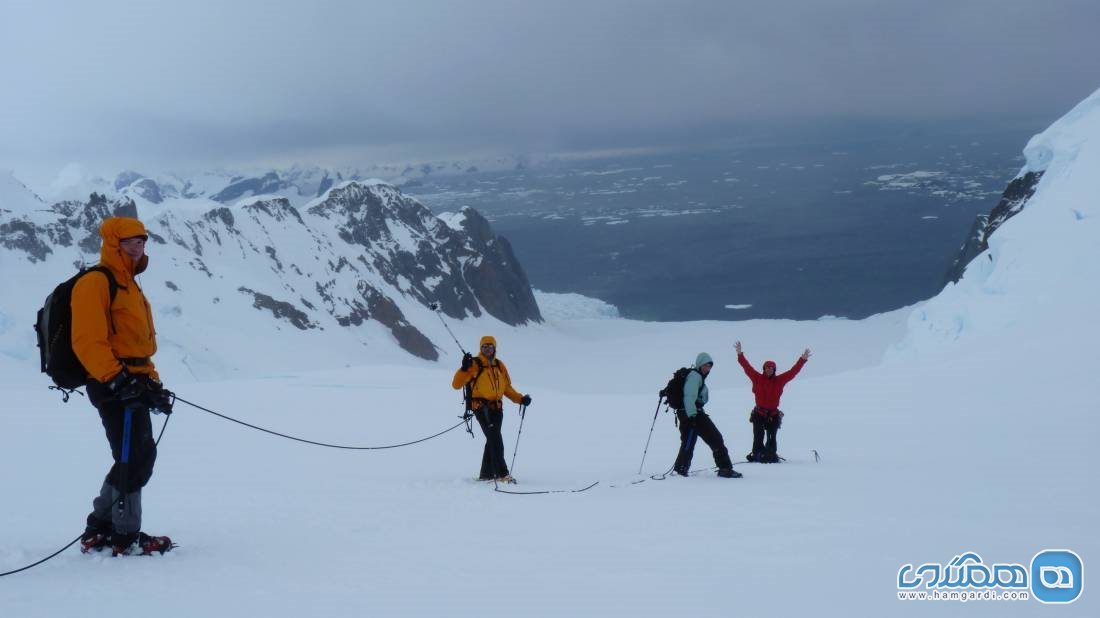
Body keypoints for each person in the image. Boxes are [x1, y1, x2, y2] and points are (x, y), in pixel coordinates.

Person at [73, 217, 174, 556]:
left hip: (134, 380)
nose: (138, 246)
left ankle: (100, 528)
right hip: (110, 382)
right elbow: (87, 340)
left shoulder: (130, 283)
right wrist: (116, 379)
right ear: (114, 242)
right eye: (130, 241)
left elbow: (139, 346)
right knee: (134, 456)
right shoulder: (96, 282)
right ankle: (124, 535)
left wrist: (153, 384)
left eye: (142, 240)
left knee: (136, 455)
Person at [451, 336, 531, 483]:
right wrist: (463, 369)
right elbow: (456, 384)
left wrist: (520, 399)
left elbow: (506, 388)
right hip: (481, 408)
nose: (487, 349)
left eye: (490, 346)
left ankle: (486, 474)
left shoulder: (499, 365)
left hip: (497, 409)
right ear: (480, 348)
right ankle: (502, 474)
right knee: (495, 439)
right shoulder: (473, 364)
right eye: (484, 346)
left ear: (495, 348)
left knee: (492, 439)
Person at [735, 341, 811, 463]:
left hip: (773, 415)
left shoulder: (779, 380)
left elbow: (793, 372)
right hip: (759, 414)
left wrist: (802, 359)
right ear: (764, 369)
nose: (769, 369)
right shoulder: (756, 378)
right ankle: (757, 454)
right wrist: (740, 354)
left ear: (774, 369)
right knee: (758, 436)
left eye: (771, 368)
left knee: (772, 438)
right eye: (767, 367)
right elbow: (746, 367)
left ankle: (770, 454)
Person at [672, 353, 741, 478]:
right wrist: (692, 416)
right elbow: (689, 397)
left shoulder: (696, 376)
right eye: (705, 365)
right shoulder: (695, 376)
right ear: (699, 364)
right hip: (692, 414)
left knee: (689, 441)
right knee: (715, 438)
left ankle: (681, 469)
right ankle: (725, 468)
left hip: (687, 413)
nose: (707, 368)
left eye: (709, 366)